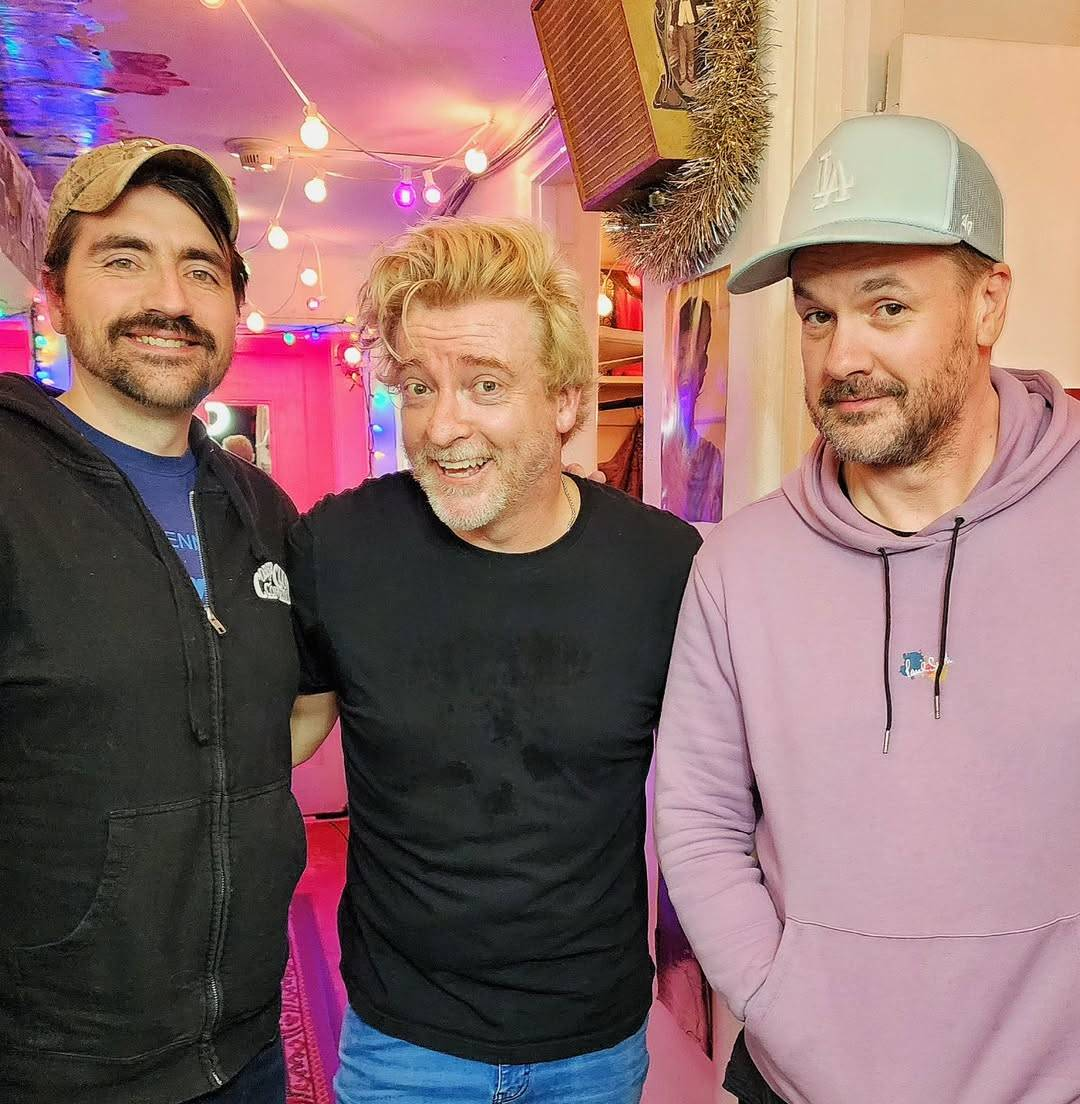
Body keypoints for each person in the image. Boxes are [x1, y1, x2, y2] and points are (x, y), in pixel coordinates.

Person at [655, 112, 1080, 1104]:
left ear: (987, 304)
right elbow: (700, 819)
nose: (842, 355)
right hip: (801, 1080)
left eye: (887, 307)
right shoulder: (740, 566)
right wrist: (776, 999)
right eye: (817, 315)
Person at [287, 217, 702, 1104]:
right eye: (420, 387)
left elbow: (733, 784)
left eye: (484, 384)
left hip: (592, 1042)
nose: (443, 425)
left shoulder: (664, 568)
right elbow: (266, 738)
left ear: (563, 402)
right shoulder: (339, 548)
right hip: (401, 1043)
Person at [0, 138, 306, 1103]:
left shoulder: (265, 512)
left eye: (200, 268)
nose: (168, 299)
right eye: (124, 258)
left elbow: (294, 710)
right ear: (54, 293)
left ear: (235, 307)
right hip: (53, 1063)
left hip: (250, 1044)